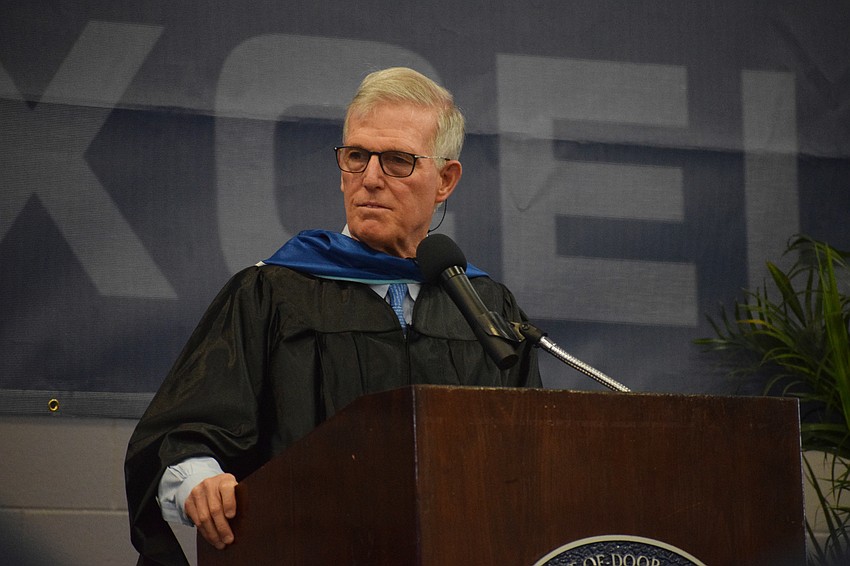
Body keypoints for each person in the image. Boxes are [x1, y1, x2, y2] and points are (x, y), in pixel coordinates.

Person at [124, 67, 541, 566]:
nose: (369, 179)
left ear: (445, 179)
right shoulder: (274, 292)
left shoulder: (486, 309)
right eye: (356, 156)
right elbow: (181, 434)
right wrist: (198, 478)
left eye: (397, 161)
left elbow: (530, 456)